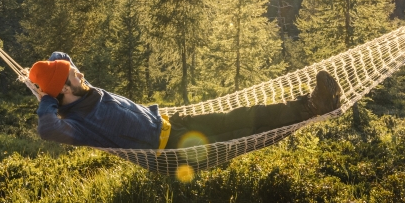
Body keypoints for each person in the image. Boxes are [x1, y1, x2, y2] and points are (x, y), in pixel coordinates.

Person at [29, 52, 342, 150]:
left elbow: (62, 59)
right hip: (172, 148)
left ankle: (308, 104)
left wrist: (44, 73)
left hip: (169, 122)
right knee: (247, 131)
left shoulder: (81, 93)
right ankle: (313, 108)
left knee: (244, 114)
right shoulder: (77, 123)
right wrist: (45, 98)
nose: (80, 73)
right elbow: (47, 130)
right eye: (73, 74)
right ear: (63, 92)